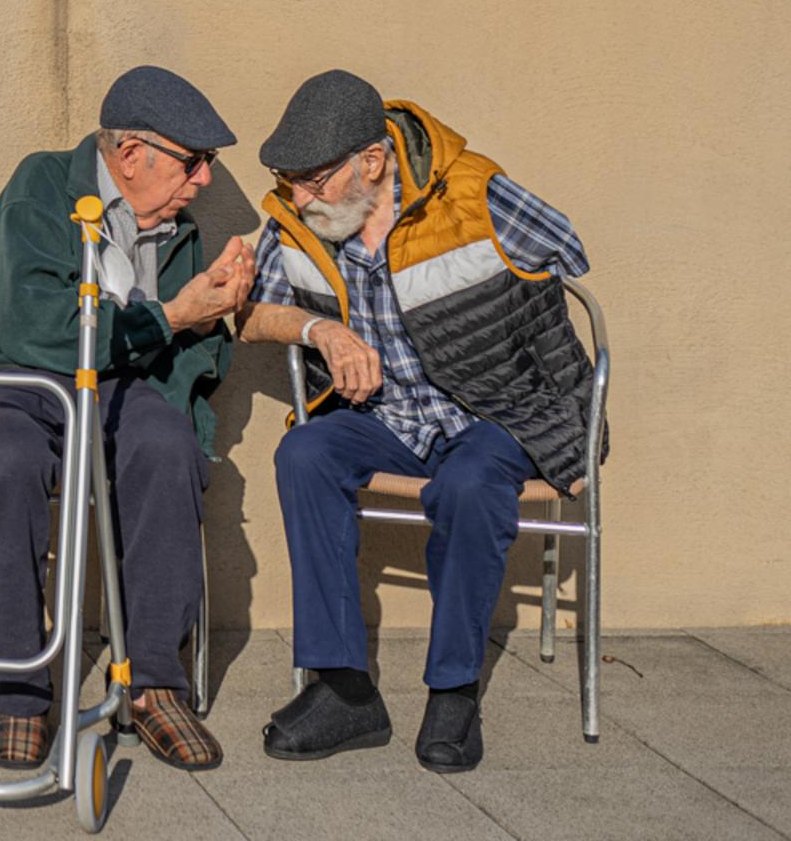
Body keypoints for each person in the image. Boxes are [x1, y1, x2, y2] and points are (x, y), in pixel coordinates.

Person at [238, 70, 596, 773]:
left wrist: (488, 316)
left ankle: (454, 691)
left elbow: (569, 257)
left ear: (371, 161)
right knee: (304, 454)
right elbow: (250, 317)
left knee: (468, 485)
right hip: (390, 418)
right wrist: (320, 330)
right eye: (290, 181)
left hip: (496, 412)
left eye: (313, 180)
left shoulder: (472, 196)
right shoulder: (301, 222)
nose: (299, 197)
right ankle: (344, 691)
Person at [0, 66, 254, 773]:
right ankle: (18, 692)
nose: (206, 181)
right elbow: (36, 329)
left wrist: (215, 309)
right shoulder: (42, 188)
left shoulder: (172, 228)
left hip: (110, 386)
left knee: (166, 443)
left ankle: (153, 684)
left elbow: (175, 346)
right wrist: (175, 314)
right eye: (195, 161)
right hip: (7, 372)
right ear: (130, 155)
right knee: (11, 456)